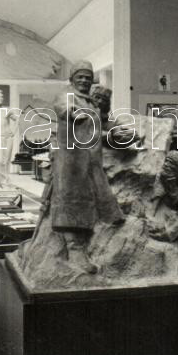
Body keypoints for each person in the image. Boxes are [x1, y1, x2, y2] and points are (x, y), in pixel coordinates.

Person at [48, 61, 124, 274]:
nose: (84, 81)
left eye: (88, 77)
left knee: (95, 200)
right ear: (72, 79)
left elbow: (103, 122)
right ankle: (75, 251)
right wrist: (73, 113)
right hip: (71, 161)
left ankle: (95, 243)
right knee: (72, 202)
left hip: (91, 159)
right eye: (80, 77)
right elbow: (63, 108)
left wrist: (121, 130)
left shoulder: (91, 102)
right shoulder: (67, 96)